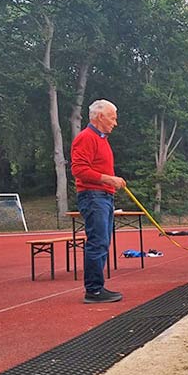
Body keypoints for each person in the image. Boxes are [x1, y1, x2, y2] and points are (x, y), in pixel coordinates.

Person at [71, 99, 126, 303]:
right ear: (100, 117)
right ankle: (93, 290)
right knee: (98, 242)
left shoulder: (102, 139)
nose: (115, 123)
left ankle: (97, 287)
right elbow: (79, 169)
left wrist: (110, 182)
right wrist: (108, 178)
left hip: (103, 196)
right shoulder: (86, 138)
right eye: (112, 118)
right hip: (93, 196)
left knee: (103, 242)